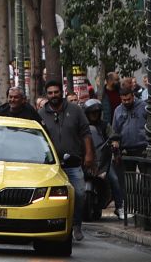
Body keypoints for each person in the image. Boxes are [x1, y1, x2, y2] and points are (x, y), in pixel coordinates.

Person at [39, 80, 94, 242]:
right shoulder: (41, 113)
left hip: (74, 163)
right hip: (52, 166)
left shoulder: (75, 110)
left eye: (56, 92)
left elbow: (86, 133)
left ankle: (76, 225)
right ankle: (52, 226)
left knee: (79, 193)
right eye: (50, 93)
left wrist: (89, 154)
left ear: (61, 92)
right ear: (46, 95)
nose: (53, 95)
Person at [84, 99, 124, 219]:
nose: (95, 115)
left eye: (97, 112)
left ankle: (119, 207)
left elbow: (113, 135)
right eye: (92, 112)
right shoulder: (83, 125)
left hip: (102, 159)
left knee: (114, 179)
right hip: (86, 158)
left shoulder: (104, 125)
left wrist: (115, 142)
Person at [112, 85, 147, 158]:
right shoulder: (118, 110)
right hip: (125, 149)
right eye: (124, 100)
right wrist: (115, 141)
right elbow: (115, 130)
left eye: (129, 99)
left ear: (133, 96)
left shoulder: (143, 106)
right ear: (120, 98)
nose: (127, 102)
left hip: (142, 147)